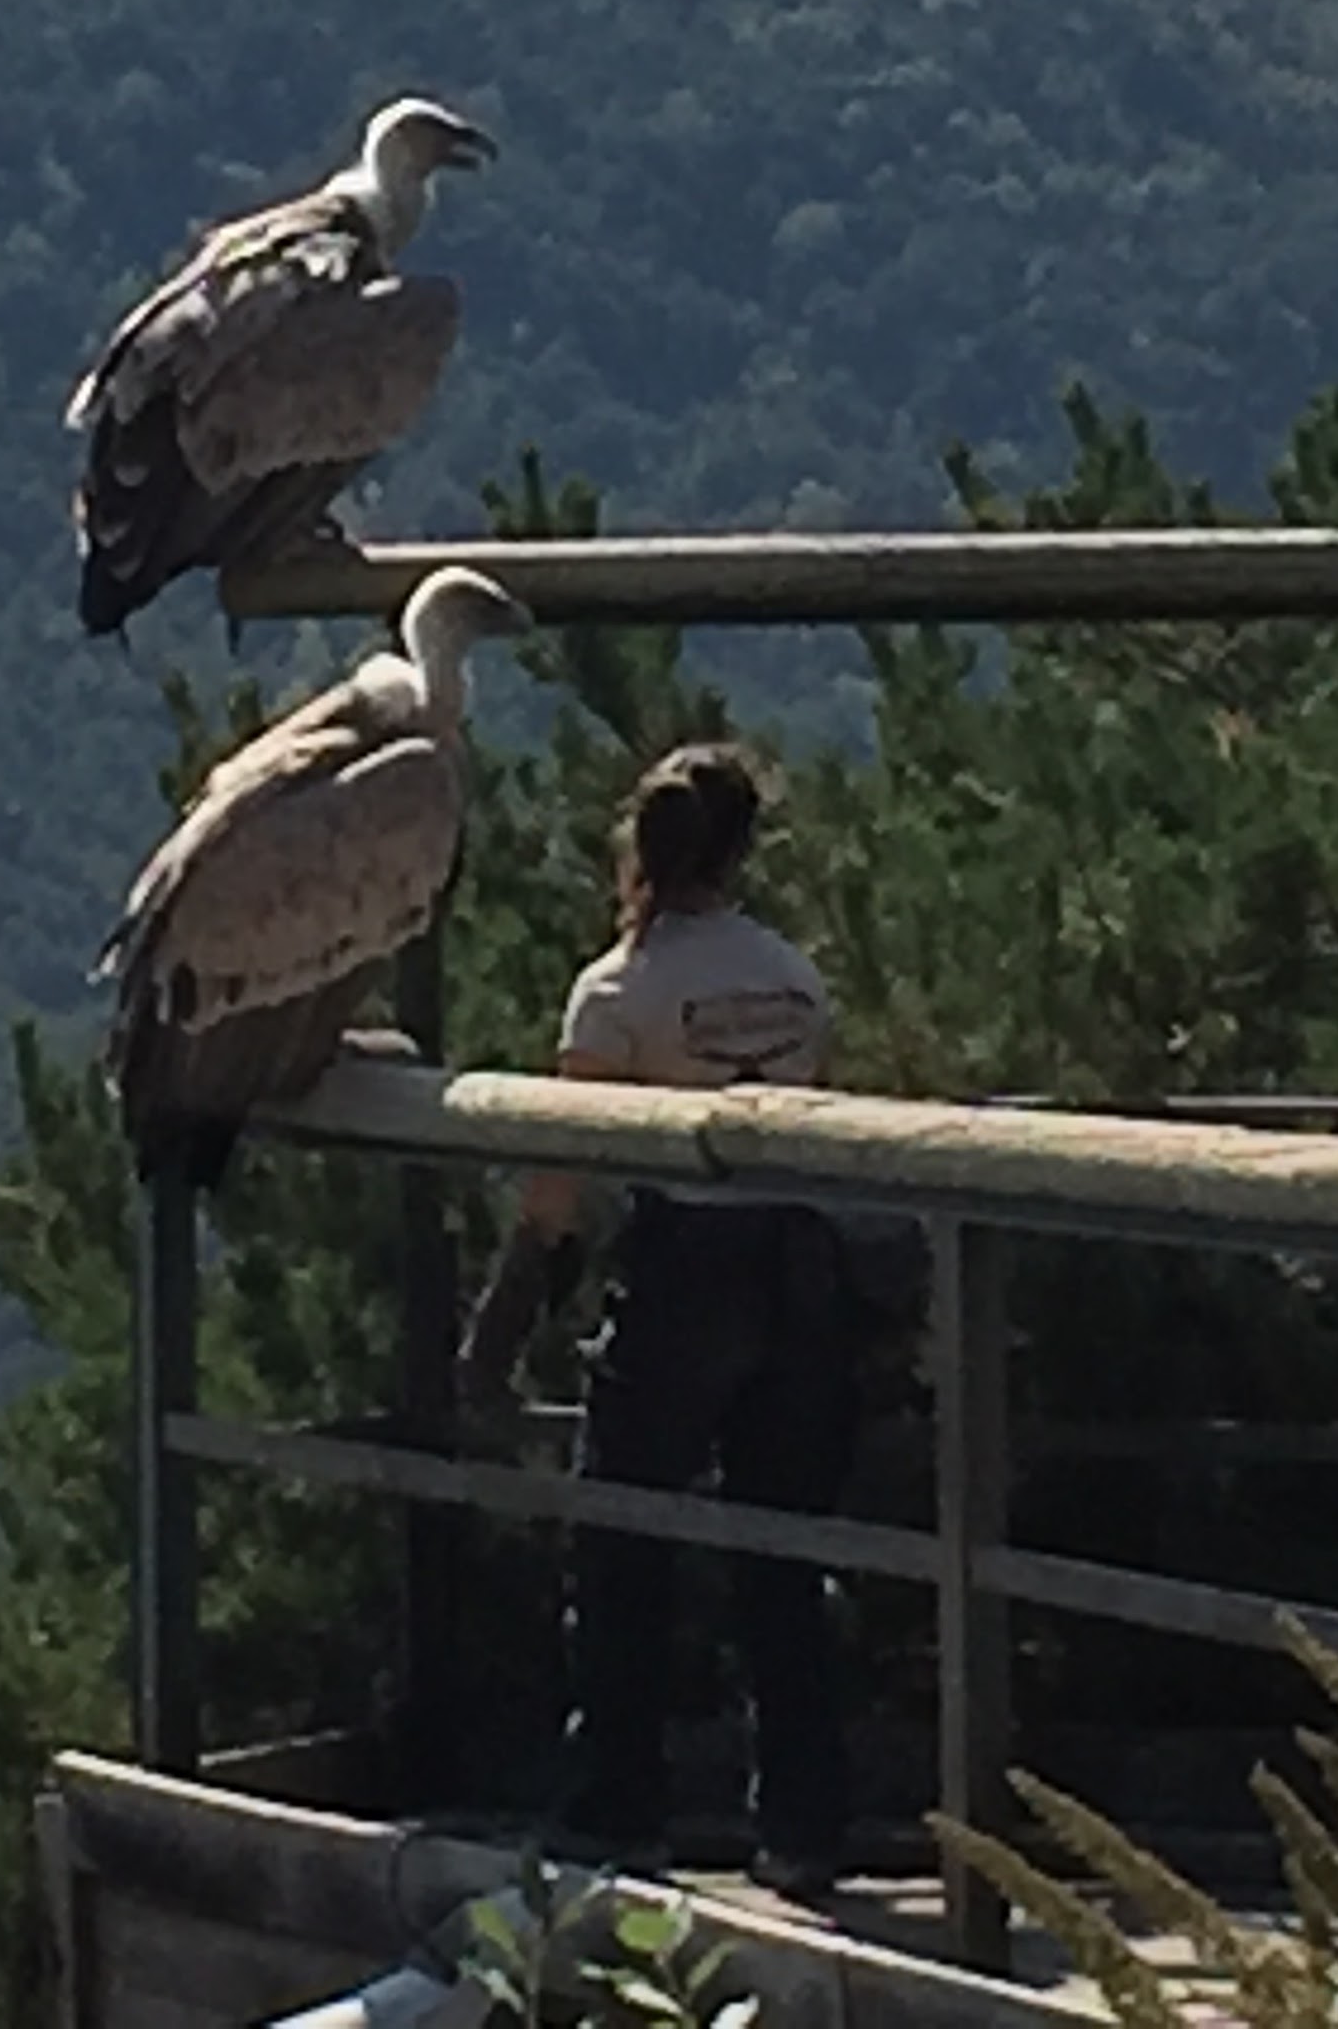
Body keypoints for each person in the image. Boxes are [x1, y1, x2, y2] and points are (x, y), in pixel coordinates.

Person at [456, 742, 855, 1895]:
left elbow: (559, 1185)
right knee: (784, 1553)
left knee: (622, 1541)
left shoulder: (616, 995)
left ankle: (619, 1808)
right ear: (743, 849)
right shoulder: (794, 979)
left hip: (684, 1268)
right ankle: (805, 1823)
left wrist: (499, 1332)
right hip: (798, 1267)